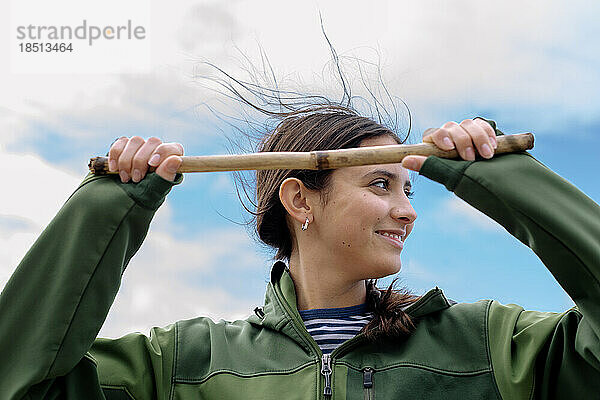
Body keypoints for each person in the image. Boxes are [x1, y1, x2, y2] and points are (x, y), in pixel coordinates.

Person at [1, 105, 599, 399]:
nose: (408, 210)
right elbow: (22, 384)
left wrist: (504, 179)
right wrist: (105, 207)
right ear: (299, 200)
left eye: (408, 187)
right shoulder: (183, 365)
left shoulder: (490, 346)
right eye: (380, 184)